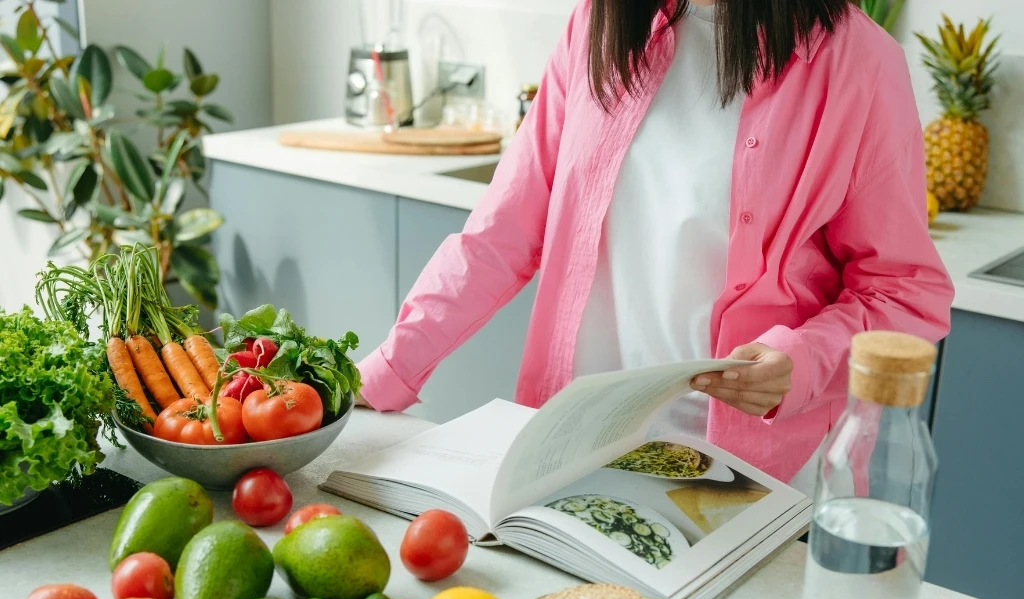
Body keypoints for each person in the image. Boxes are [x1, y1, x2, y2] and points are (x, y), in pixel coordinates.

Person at [355, 0, 954, 495]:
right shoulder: (600, 24)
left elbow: (905, 292)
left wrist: (804, 362)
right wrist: (382, 374)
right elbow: (501, 231)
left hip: (752, 478)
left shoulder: (859, 62)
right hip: (578, 446)